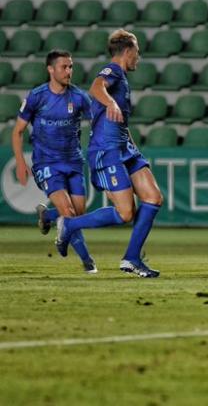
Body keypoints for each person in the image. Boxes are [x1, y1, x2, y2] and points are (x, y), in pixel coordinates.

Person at [55, 29, 162, 278]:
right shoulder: (112, 71)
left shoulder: (122, 77)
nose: (139, 57)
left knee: (154, 199)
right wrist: (111, 102)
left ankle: (132, 259)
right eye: (137, 51)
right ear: (128, 51)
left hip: (126, 148)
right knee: (126, 213)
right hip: (107, 150)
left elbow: (120, 121)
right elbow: (96, 86)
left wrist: (132, 144)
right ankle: (68, 223)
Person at [11, 49, 97, 273]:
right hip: (46, 163)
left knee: (77, 215)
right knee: (68, 213)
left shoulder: (79, 97)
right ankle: (89, 264)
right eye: (64, 67)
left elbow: (97, 124)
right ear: (51, 69)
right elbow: (17, 131)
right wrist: (20, 162)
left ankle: (48, 215)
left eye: (71, 66)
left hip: (74, 162)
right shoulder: (37, 96)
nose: (69, 71)